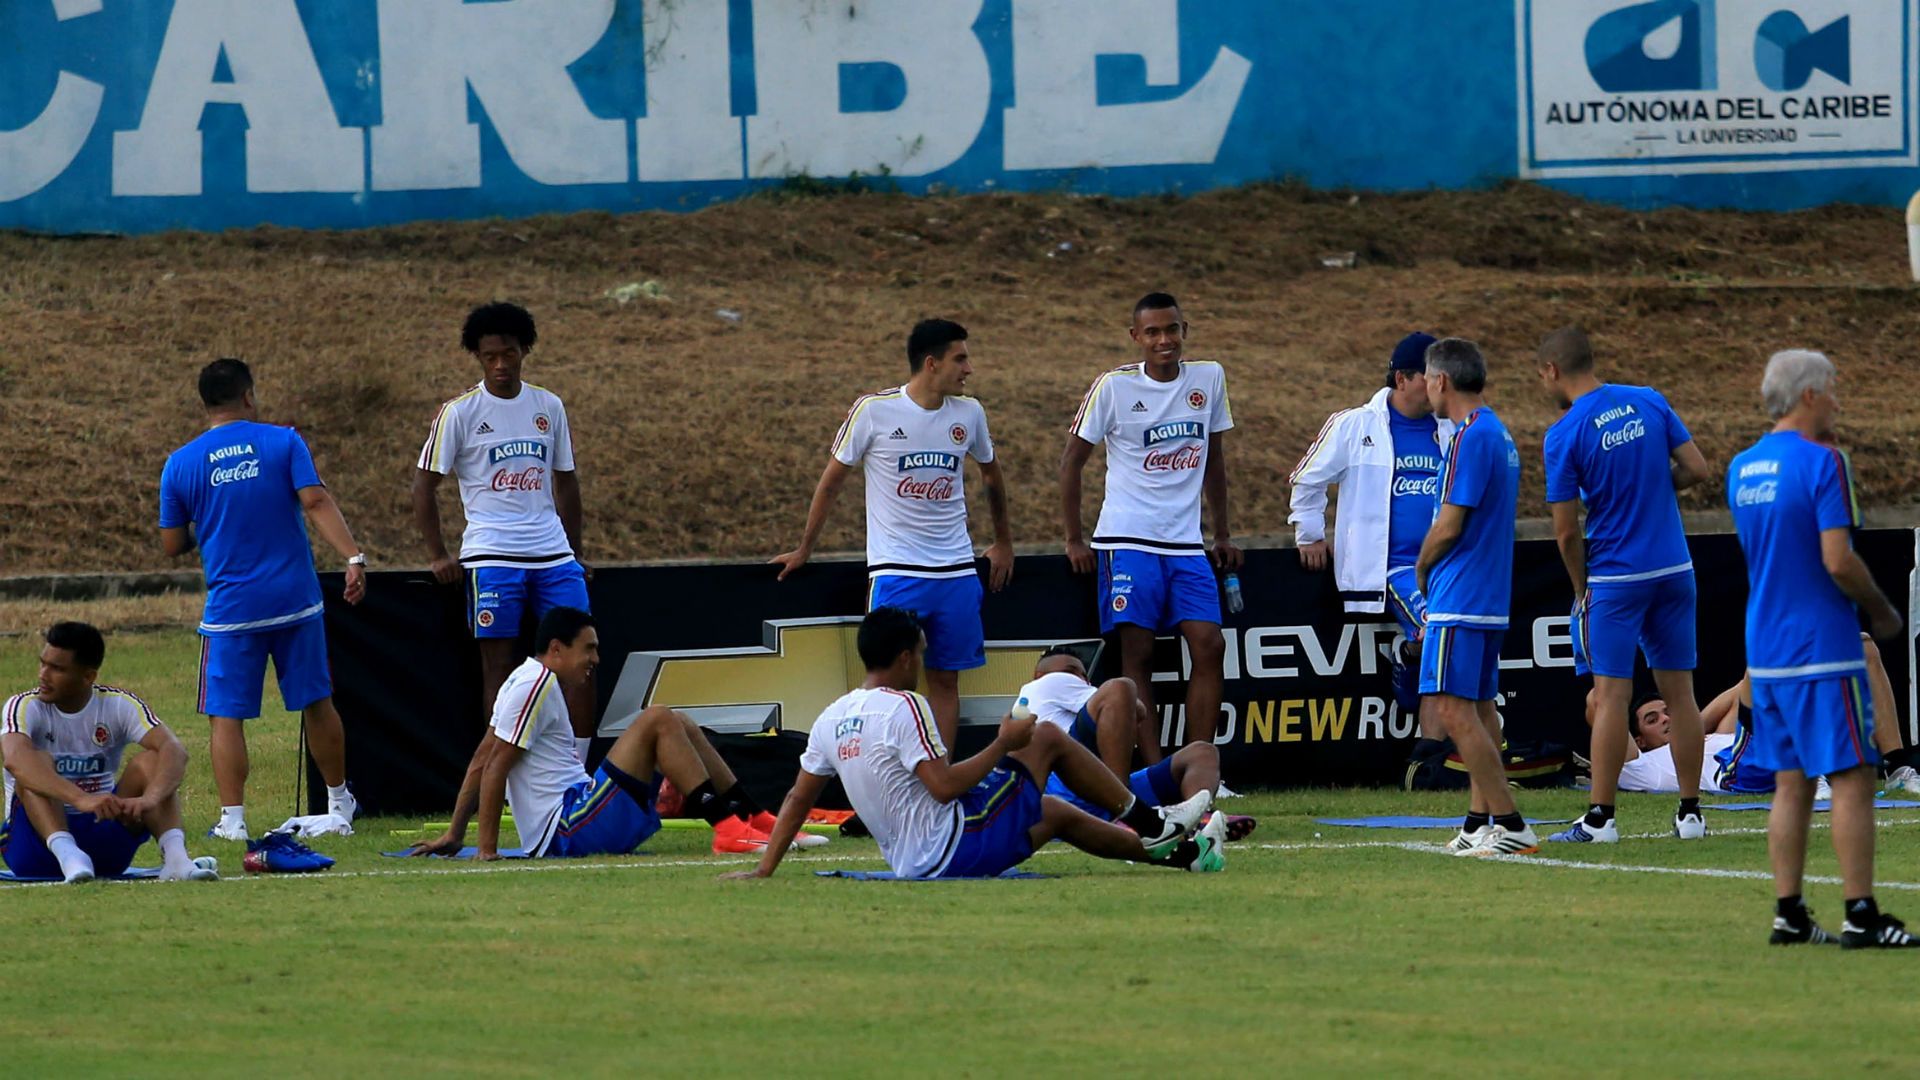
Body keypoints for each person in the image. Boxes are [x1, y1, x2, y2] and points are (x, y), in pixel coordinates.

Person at [722, 608, 1226, 881]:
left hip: (914, 859)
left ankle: (1185, 856)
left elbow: (796, 799)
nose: (921, 662)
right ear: (902, 658)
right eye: (918, 654)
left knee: (1052, 811)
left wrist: (766, 869)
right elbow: (942, 788)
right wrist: (1002, 744)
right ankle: (1152, 823)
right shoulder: (906, 705)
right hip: (954, 844)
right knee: (1046, 736)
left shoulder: (834, 716)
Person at [1727, 348, 1912, 948]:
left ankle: (1790, 913)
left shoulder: (1744, 466)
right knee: (1854, 775)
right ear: (1808, 395)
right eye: (1832, 389)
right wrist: (1881, 608)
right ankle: (1861, 914)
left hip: (1767, 647)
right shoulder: (1824, 462)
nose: (1837, 400)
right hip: (1823, 644)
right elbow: (1836, 559)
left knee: (1791, 780)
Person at [771, 319, 1013, 751]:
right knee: (887, 687)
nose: (969, 369)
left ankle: (937, 786)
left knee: (944, 681)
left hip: (956, 572)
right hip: (898, 571)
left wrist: (1004, 542)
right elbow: (831, 481)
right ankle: (884, 781)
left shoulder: (969, 414)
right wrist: (805, 547)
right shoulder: (874, 411)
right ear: (931, 363)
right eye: (961, 358)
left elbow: (991, 475)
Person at [159, 358, 364, 841]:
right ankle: (338, 806)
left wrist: (205, 525)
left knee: (227, 715)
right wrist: (353, 556)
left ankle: (233, 820)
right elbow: (315, 501)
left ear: (204, 404)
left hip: (232, 611)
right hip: (296, 600)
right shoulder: (284, 441)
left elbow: (172, 543)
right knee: (317, 701)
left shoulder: (181, 463)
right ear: (249, 396)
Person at [406, 607, 784, 859]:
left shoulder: (522, 679)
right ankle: (726, 827)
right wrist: (487, 850)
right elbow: (494, 767)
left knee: (678, 720)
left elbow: (479, 760)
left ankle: (754, 817)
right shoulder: (534, 684)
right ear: (556, 648)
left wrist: (455, 835)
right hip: (568, 827)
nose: (595, 660)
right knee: (657, 718)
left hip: (575, 815)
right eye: (588, 649)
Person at [1534, 327, 1714, 844]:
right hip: (1675, 569)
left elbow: (1567, 531)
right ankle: (1691, 814)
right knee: (1682, 696)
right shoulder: (1649, 400)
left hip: (1616, 577)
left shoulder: (1565, 433)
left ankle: (1600, 820)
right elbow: (1697, 469)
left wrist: (1579, 587)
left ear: (1551, 371)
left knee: (1611, 697)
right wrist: (1658, 483)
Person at [1060, 293, 1240, 761]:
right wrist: (1074, 539)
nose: (1165, 340)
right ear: (1136, 337)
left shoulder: (1209, 377)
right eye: (1153, 332)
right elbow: (1072, 462)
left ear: (1185, 330)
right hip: (1127, 540)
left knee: (1209, 644)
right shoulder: (1113, 388)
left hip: (1186, 544)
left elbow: (1214, 460)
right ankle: (1156, 770)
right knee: (1137, 655)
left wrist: (1221, 533)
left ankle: (1197, 762)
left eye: (1172, 329)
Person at [414, 302, 596, 752]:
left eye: (509, 354)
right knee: (499, 669)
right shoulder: (459, 412)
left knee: (582, 662)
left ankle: (576, 773)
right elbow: (423, 485)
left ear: (524, 350)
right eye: (490, 356)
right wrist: (438, 554)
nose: (500, 365)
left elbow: (566, 481)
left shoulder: (548, 405)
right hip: (492, 556)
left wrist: (574, 550)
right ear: (477, 355)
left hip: (553, 556)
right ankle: (505, 774)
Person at [1289, 332, 1454, 723]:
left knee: (1459, 634)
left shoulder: (1451, 427)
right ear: (1402, 379)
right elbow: (1307, 478)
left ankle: (1408, 657)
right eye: (1430, 377)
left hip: (1447, 564)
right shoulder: (1354, 424)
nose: (1439, 387)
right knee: (1438, 626)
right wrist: (1310, 533)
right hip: (1396, 567)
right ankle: (1435, 744)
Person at [1414, 338, 1535, 857]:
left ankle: (1510, 822)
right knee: (1482, 709)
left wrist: (1421, 570)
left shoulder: (1468, 436)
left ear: (1441, 380)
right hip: (1487, 595)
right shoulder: (1499, 433)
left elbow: (1449, 524)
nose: (1424, 386)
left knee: (1452, 708)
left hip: (1459, 594)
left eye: (1426, 377)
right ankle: (1478, 819)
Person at [0, 623, 216, 882]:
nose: (43, 675)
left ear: (88, 676)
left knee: (153, 761)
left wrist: (149, 799)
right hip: (36, 848)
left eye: (57, 668)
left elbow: (175, 751)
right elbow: (15, 759)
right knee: (34, 762)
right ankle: (69, 854)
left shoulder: (118, 704)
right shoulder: (24, 706)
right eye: (43, 663)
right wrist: (81, 799)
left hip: (104, 836)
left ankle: (176, 860)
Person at [1016, 646, 1257, 840]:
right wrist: (1123, 704)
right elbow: (1134, 706)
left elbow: (1130, 708)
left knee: (1202, 752)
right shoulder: (1047, 683)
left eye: (1083, 674)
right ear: (1040, 674)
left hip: (1097, 785)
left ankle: (1199, 820)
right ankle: (1126, 814)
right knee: (1121, 686)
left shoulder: (1035, 706)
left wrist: (1123, 707)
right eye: (1071, 670)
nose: (1081, 678)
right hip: (1066, 783)